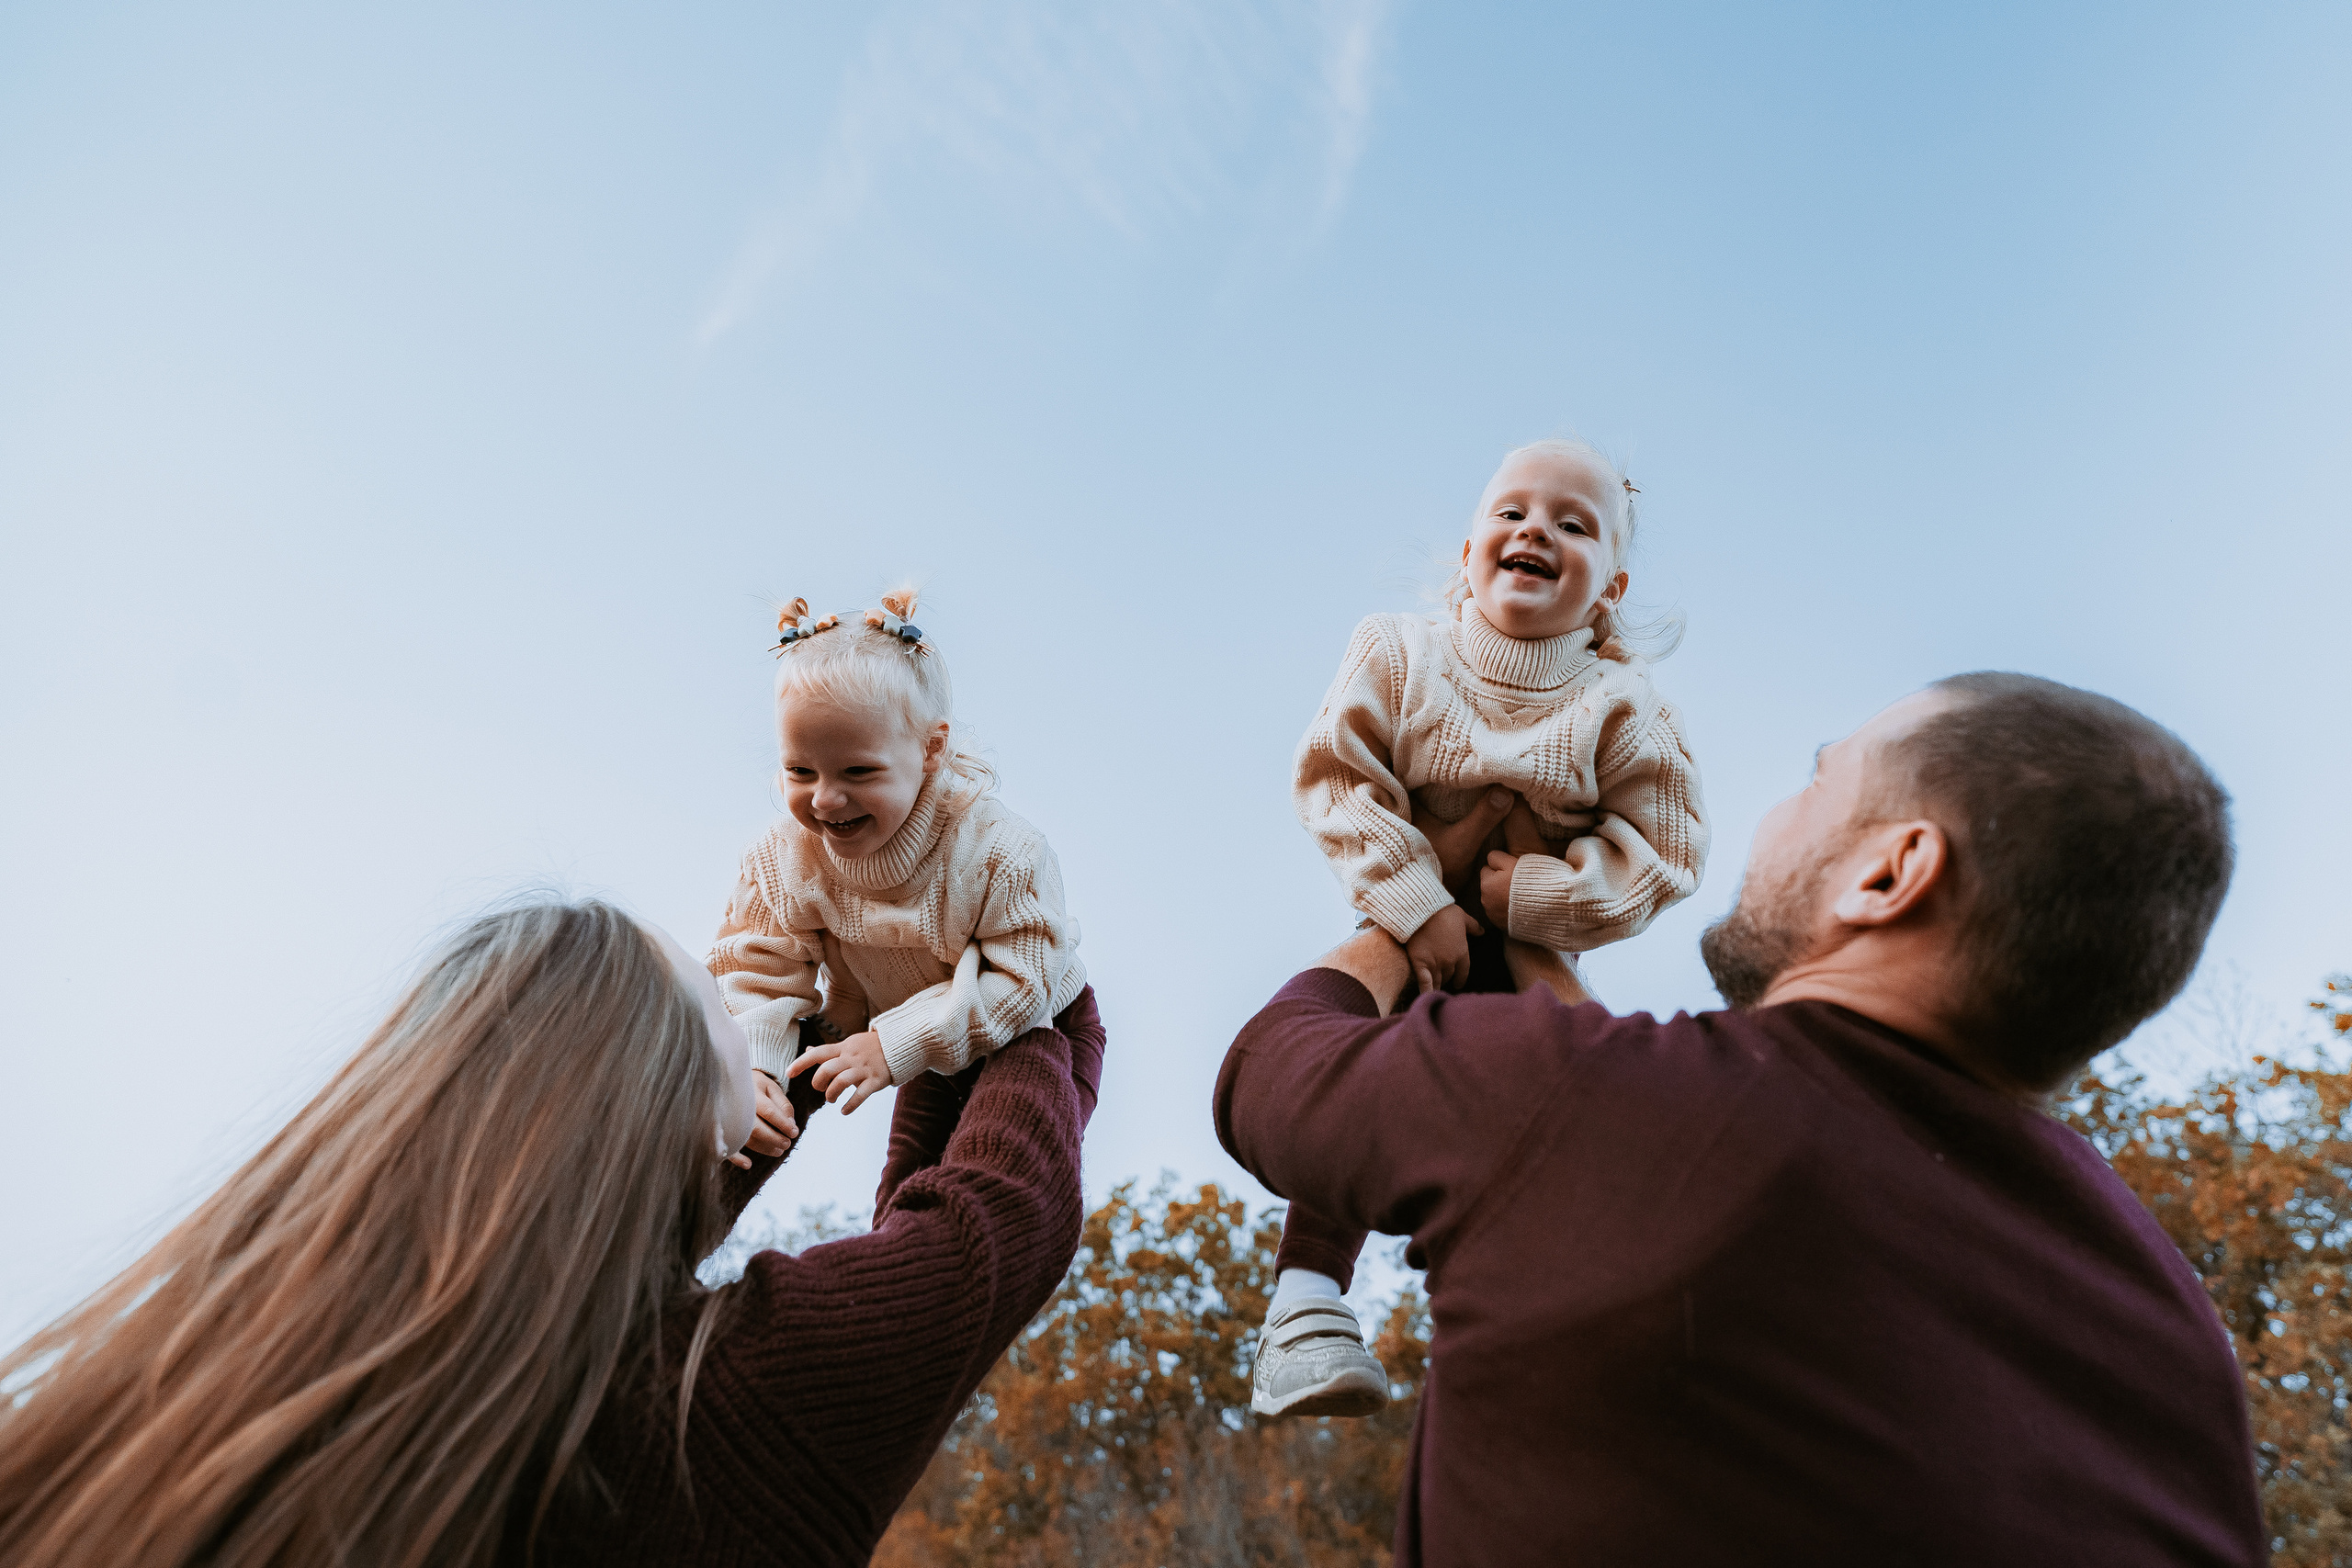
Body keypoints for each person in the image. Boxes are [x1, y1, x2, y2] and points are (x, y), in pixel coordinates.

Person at [1216, 673, 2263, 1566]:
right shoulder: (2178, 1339)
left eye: (1819, 780)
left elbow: (1273, 1075)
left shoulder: (1590, 1110)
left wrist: (1399, 916)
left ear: (1889, 873)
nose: (1771, 817)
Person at [0, 899, 1105, 1567]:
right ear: (659, 1093)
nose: (753, 1011)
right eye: (722, 1012)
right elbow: (990, 1226)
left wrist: (865, 1047)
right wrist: (1018, 997)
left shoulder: (234, 1372)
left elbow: (581, 1250)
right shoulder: (699, 1413)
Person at [1259, 437, 1710, 1417]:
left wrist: (1537, 895)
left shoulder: (1622, 707)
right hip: (1411, 929)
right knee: (1356, 1084)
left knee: (1584, 1089)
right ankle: (1303, 1308)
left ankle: (1591, 1304)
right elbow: (1337, 776)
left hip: (1527, 948)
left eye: (1571, 523)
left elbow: (1665, 851)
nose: (1534, 529)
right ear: (1467, 552)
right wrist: (1418, 901)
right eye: (1510, 512)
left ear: (1608, 588)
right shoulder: (1399, 651)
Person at [709, 589, 1086, 1208]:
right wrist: (754, 1068)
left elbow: (1018, 983)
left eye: (858, 772)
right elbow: (758, 969)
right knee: (906, 1184)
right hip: (910, 1030)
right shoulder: (782, 861)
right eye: (801, 771)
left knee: (1006, 1174)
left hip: (1035, 1021)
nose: (826, 799)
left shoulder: (997, 851)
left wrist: (892, 1045)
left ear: (930, 750)